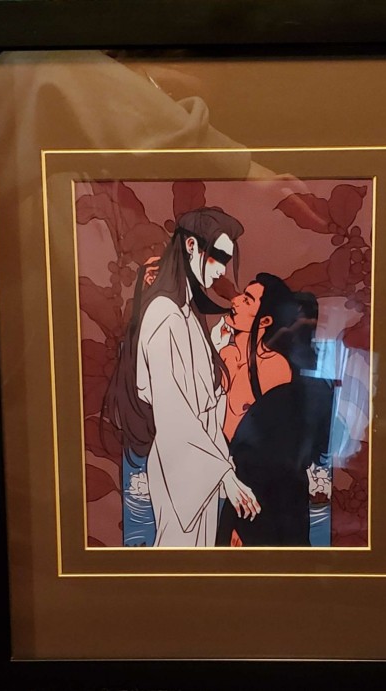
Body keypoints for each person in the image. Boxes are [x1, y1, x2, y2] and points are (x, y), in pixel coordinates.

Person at [104, 207, 260, 547]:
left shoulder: (186, 313)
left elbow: (199, 399)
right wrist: (225, 476)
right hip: (179, 466)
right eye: (218, 257)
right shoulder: (165, 315)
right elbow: (174, 412)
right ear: (191, 246)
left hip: (197, 461)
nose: (221, 270)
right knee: (179, 555)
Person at [215, 273, 334, 547]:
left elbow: (274, 453)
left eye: (247, 300)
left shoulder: (275, 367)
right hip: (237, 488)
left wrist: (243, 524)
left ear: (266, 321)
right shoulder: (225, 356)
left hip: (271, 498)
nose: (236, 302)